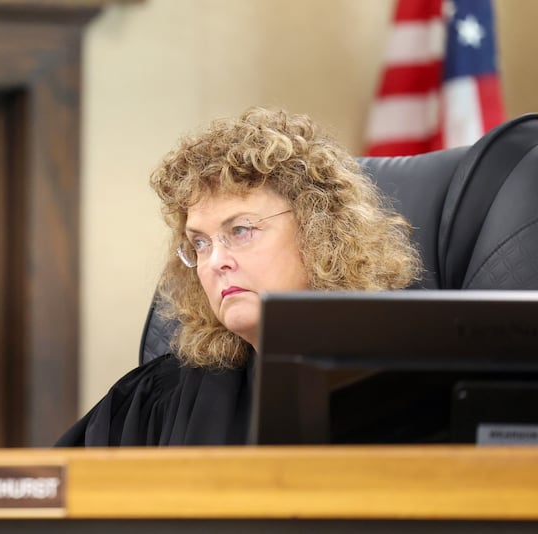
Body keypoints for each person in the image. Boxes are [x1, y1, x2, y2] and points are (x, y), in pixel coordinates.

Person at [56, 107, 422, 447]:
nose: (215, 261)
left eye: (241, 230)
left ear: (320, 234)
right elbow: (43, 490)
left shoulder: (413, 385)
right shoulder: (159, 396)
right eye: (199, 243)